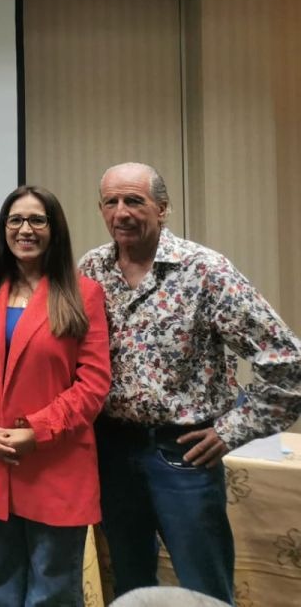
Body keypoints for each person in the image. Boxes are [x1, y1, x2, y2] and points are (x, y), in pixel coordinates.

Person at [80, 162, 301, 602]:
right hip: (111, 449)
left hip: (182, 452)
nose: (121, 212)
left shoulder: (205, 270)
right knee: (129, 584)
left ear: (162, 209)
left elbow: (287, 363)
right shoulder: (91, 269)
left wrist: (231, 430)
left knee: (204, 585)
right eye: (111, 202)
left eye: (134, 201)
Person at [0, 185, 111, 606]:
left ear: (54, 229)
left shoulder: (83, 293)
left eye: (37, 220)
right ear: (3, 229)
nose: (25, 229)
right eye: (15, 220)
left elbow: (93, 382)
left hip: (55, 465)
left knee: (52, 591)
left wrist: (37, 431)